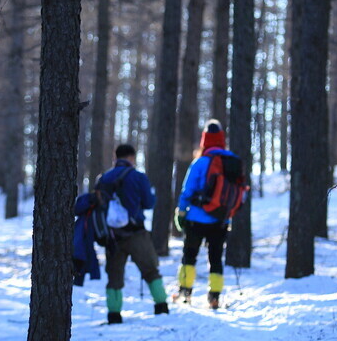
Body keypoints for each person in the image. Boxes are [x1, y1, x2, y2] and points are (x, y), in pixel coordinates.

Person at [97, 144, 169, 324]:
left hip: (112, 237)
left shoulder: (103, 178)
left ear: (116, 157)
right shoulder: (138, 177)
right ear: (131, 157)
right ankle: (161, 307)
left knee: (114, 277)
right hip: (136, 233)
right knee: (151, 270)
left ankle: (114, 315)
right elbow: (149, 203)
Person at [174, 120, 242, 309]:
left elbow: (187, 190)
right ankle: (214, 297)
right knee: (216, 259)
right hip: (221, 219)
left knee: (189, 256)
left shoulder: (200, 162)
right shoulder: (233, 162)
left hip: (196, 218)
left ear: (204, 141)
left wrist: (181, 212)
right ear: (222, 140)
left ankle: (185, 293)